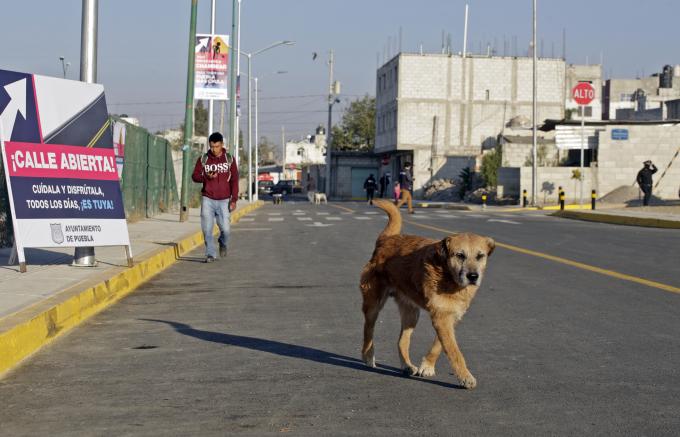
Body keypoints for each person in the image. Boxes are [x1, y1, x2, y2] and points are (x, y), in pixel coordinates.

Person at [192, 132, 239, 263]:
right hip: (208, 199)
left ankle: (222, 242)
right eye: (212, 146)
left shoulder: (229, 159)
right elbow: (195, 176)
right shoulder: (203, 159)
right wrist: (206, 176)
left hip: (224, 200)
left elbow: (234, 180)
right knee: (207, 228)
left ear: (222, 145)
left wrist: (234, 199)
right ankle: (210, 254)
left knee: (226, 229)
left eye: (217, 146)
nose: (214, 149)